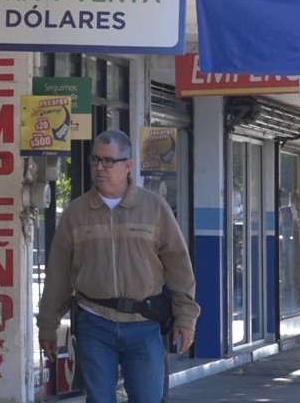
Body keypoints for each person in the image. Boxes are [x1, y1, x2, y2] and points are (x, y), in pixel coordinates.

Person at [37, 129, 200, 403]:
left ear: (128, 165)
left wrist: (186, 318)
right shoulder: (76, 213)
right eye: (95, 160)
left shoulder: (155, 208)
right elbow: (58, 275)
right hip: (94, 323)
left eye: (108, 161)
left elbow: (179, 266)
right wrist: (48, 326)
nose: (100, 167)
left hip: (144, 324)